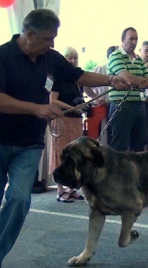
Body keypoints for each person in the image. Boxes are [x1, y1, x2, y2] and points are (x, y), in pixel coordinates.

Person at [0, 9, 129, 268]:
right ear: (29, 34)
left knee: (20, 199)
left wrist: (111, 79)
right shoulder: (1, 55)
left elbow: (78, 75)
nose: (52, 44)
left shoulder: (49, 58)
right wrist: (38, 108)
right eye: (48, 38)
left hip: (29, 143)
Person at [107, 27, 148, 152]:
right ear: (123, 39)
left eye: (136, 39)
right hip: (121, 105)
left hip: (139, 105)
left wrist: (134, 82)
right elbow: (128, 79)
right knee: (120, 145)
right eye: (131, 39)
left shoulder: (138, 59)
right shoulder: (115, 56)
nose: (134, 42)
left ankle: (136, 172)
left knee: (139, 145)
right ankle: (117, 172)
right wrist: (138, 81)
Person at [48, 46, 85, 203]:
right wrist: (71, 107)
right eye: (69, 58)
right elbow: (52, 100)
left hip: (76, 120)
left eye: (74, 58)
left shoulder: (78, 80)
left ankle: (72, 188)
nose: (72, 60)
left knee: (76, 155)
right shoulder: (59, 79)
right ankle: (60, 190)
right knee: (60, 154)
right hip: (62, 120)